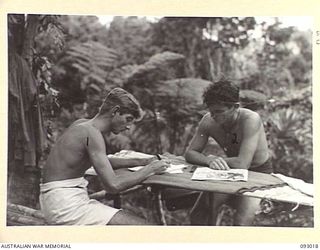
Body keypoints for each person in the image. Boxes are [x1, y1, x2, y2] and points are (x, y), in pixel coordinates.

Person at [40, 88, 170, 225]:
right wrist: (151, 169)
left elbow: (103, 162)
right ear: (115, 111)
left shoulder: (82, 125)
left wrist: (144, 161)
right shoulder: (92, 134)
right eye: (128, 119)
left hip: (57, 199)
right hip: (64, 205)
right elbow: (113, 185)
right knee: (146, 228)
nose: (129, 127)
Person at [185, 79, 272, 226]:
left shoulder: (250, 119)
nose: (214, 116)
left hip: (258, 173)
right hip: (229, 169)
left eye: (219, 111)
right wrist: (208, 160)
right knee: (200, 213)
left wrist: (215, 159)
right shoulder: (208, 120)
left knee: (242, 222)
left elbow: (243, 163)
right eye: (211, 111)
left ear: (235, 107)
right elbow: (190, 153)